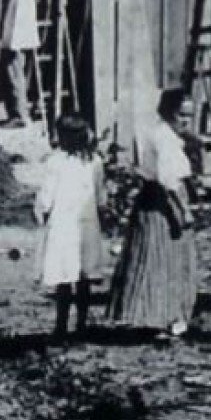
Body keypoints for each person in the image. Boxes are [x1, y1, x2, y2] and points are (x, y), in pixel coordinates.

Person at [109, 87, 197, 337]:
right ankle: (164, 316)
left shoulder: (166, 134)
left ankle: (161, 315)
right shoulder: (164, 138)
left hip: (155, 199)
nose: (186, 121)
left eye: (190, 115)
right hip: (162, 204)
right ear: (169, 112)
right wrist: (183, 211)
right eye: (182, 115)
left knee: (163, 258)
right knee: (166, 258)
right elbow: (170, 182)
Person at [36, 113, 108, 340]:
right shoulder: (94, 161)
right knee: (83, 276)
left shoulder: (55, 162)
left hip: (63, 225)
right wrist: (102, 212)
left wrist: (43, 212)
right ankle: (82, 325)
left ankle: (60, 327)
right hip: (87, 223)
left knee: (64, 277)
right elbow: (100, 195)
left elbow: (47, 195)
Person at [0, 0, 41, 126]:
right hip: (12, 43)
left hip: (17, 44)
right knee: (12, 78)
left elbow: (20, 23)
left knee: (15, 78)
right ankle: (15, 113)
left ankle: (20, 116)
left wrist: (13, 45)